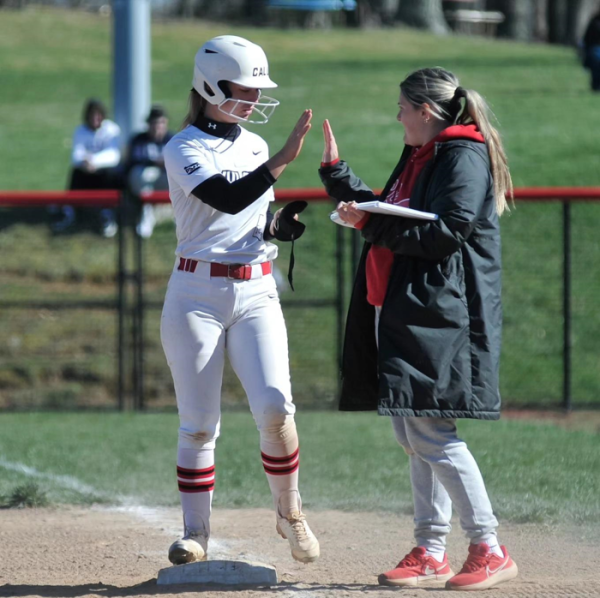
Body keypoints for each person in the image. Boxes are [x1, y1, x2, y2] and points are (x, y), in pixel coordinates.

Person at [319, 67, 518, 591]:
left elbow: (448, 232)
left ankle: (488, 547)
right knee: (412, 430)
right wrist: (339, 176)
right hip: (403, 306)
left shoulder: (462, 154)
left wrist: (370, 223)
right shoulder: (422, 154)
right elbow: (395, 214)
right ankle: (431, 551)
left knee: (432, 431)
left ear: (426, 112)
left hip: (441, 312)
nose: (398, 116)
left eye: (403, 108)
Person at [160, 35, 319, 566]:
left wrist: (278, 225)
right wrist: (283, 161)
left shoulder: (251, 144)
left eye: (256, 90)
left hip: (256, 288)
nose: (252, 99)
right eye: (243, 89)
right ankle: (195, 534)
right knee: (199, 423)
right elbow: (223, 199)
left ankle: (290, 514)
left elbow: (248, 215)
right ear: (209, 85)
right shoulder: (182, 146)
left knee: (275, 409)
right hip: (196, 292)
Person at [52, 98, 122, 237]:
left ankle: (107, 213)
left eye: (99, 115)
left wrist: (94, 161)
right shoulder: (80, 131)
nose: (96, 119)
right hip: (86, 172)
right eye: (92, 115)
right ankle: (69, 211)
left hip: (104, 173)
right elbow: (76, 155)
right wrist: (86, 163)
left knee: (111, 173)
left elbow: (114, 155)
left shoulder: (111, 129)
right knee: (76, 173)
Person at [125, 105, 174, 238]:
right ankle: (146, 217)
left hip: (166, 177)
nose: (157, 127)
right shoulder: (139, 140)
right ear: (148, 124)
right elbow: (133, 159)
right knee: (141, 174)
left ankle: (181, 219)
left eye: (161, 123)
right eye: (154, 123)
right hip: (145, 178)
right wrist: (154, 161)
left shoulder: (173, 140)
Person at [582, 11, 600, 91]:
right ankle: (596, 86)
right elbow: (586, 39)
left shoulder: (594, 21)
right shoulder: (595, 22)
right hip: (594, 49)